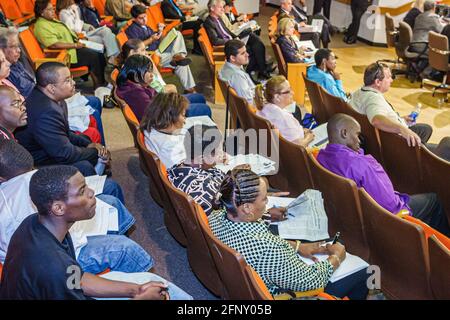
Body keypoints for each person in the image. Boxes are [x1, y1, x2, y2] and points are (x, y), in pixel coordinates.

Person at [0, 165, 192, 300]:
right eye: (82, 191)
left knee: (154, 283)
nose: (92, 192)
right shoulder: (52, 267)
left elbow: (77, 278)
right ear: (58, 208)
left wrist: (136, 290)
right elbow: (65, 278)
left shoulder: (39, 224)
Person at [209, 168, 370, 299]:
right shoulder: (269, 249)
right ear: (247, 208)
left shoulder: (216, 216)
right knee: (363, 272)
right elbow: (311, 281)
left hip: (242, 284)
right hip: (283, 292)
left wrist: (298, 246)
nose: (267, 203)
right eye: (264, 199)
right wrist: (335, 258)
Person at [0, 140, 154, 275]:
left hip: (59, 236)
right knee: (125, 249)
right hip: (56, 258)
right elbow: (55, 260)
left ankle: (124, 271)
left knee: (110, 203)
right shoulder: (15, 205)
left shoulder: (21, 182)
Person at [317, 113, 450, 236]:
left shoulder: (321, 156)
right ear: (344, 133)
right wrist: (405, 208)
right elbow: (391, 205)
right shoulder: (360, 165)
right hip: (384, 219)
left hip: (348, 213)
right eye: (357, 135)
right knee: (435, 201)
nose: (359, 140)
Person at [0, 27, 106, 145]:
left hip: (46, 96)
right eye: (13, 46)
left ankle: (101, 154)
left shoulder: (17, 64)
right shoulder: (6, 77)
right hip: (42, 108)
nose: (19, 50)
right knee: (94, 110)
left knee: (95, 102)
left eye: (18, 46)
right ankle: (101, 155)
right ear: (1, 50)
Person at [15, 62, 110, 177]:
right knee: (85, 166)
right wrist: (97, 152)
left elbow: (64, 132)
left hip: (51, 148)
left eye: (71, 78)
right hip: (38, 163)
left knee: (86, 140)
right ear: (51, 88)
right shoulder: (46, 111)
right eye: (67, 80)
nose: (73, 83)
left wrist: (89, 144)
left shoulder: (54, 98)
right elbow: (64, 154)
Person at [349, 62, 450, 160]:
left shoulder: (359, 92)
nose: (391, 80)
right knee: (444, 144)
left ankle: (419, 153)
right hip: (394, 142)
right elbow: (376, 120)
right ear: (377, 82)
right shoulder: (374, 99)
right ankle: (417, 160)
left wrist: (401, 119)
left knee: (425, 129)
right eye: (388, 77)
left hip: (382, 137)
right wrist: (402, 129)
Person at [33, 0, 107, 88]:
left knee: (99, 52)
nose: (53, 11)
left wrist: (77, 39)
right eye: (49, 10)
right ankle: (99, 85)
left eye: (53, 9)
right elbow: (53, 45)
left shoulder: (51, 21)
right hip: (65, 55)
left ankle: (102, 82)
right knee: (94, 56)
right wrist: (75, 45)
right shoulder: (41, 26)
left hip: (72, 48)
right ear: (41, 12)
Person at [125, 4, 198, 93]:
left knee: (177, 34)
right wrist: (151, 39)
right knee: (181, 63)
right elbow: (137, 47)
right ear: (134, 18)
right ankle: (189, 89)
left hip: (159, 49)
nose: (144, 20)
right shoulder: (131, 30)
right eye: (141, 18)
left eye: (145, 16)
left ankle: (178, 56)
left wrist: (160, 31)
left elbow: (157, 39)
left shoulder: (146, 26)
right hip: (151, 55)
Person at [116, 54, 211, 122]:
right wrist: (177, 106)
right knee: (205, 109)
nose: (151, 74)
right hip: (166, 116)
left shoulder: (131, 84)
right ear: (136, 75)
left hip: (161, 105)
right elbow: (155, 116)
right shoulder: (137, 93)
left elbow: (152, 98)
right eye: (148, 71)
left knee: (199, 98)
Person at [118, 38, 207, 103]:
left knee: (199, 98)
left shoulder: (136, 65)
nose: (146, 53)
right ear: (132, 53)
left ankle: (177, 57)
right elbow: (151, 93)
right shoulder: (134, 71)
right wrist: (170, 90)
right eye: (143, 50)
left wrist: (152, 62)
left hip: (164, 95)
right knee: (200, 101)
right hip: (163, 102)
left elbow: (158, 79)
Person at [205, 0, 272, 81]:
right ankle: (260, 70)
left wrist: (235, 37)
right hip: (228, 46)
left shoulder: (218, 18)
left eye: (223, 7)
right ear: (212, 8)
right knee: (253, 46)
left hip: (233, 41)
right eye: (220, 7)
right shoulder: (209, 22)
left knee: (253, 38)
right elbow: (215, 41)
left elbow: (228, 31)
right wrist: (231, 40)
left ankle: (258, 71)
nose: (223, 10)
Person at [254, 75, 313, 146]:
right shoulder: (285, 119)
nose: (293, 93)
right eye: (288, 91)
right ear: (277, 97)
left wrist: (301, 130)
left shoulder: (264, 108)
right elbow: (298, 147)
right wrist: (309, 137)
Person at [57, 0, 120, 65]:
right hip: (79, 38)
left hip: (85, 33)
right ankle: (114, 58)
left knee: (106, 32)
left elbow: (80, 23)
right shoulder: (63, 13)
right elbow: (74, 30)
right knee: (108, 36)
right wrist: (76, 13)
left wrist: (88, 26)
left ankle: (112, 59)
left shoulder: (72, 9)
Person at [141, 92, 188, 169]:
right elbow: (185, 170)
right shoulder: (169, 146)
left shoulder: (151, 129)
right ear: (171, 118)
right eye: (183, 115)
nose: (185, 120)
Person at [219, 39, 256, 105]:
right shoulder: (237, 76)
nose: (247, 55)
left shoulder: (225, 67)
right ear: (233, 58)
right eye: (242, 53)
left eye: (246, 51)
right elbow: (248, 101)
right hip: (251, 110)